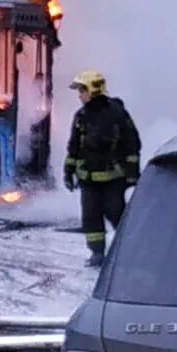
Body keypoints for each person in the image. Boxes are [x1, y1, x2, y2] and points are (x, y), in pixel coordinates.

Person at [63, 70, 141, 268]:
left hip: (113, 179)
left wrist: (132, 174)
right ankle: (97, 253)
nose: (80, 95)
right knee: (91, 216)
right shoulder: (81, 116)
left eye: (82, 90)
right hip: (88, 179)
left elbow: (132, 143)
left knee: (116, 213)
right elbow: (74, 146)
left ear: (93, 89)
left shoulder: (117, 113)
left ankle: (131, 251)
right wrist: (68, 172)